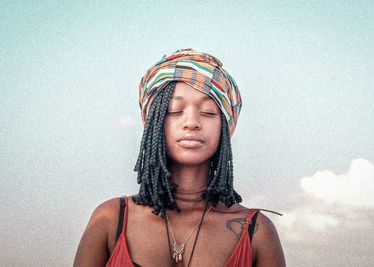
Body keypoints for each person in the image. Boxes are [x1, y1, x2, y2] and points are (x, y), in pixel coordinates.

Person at [73, 49, 285, 267]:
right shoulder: (109, 219)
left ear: (225, 126)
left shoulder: (257, 233)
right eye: (175, 110)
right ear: (153, 124)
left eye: (209, 112)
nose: (191, 122)